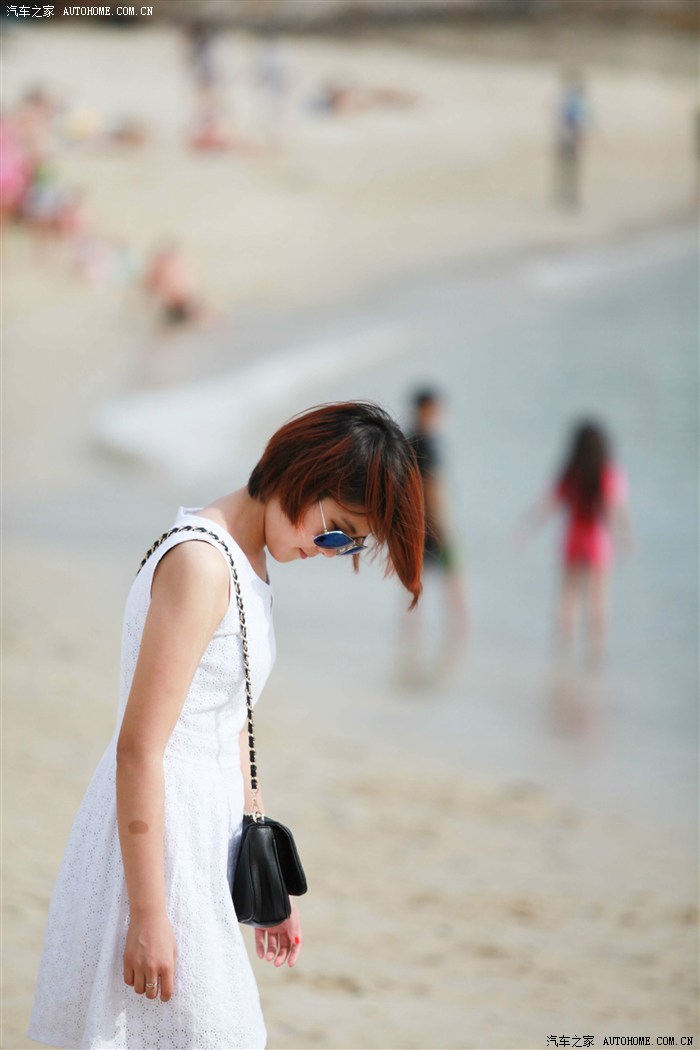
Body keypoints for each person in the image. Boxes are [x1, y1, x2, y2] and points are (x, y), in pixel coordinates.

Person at [28, 401, 425, 1050]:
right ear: (300, 474)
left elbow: (230, 716)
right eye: (335, 532)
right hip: (156, 845)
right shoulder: (202, 564)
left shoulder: (247, 562)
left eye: (350, 545)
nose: (330, 552)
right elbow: (139, 750)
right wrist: (149, 913)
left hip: (200, 840)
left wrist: (265, 877)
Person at [519, 419, 633, 664]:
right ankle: (595, 653)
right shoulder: (608, 472)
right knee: (598, 598)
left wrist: (526, 529)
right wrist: (625, 538)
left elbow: (549, 504)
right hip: (598, 541)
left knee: (568, 596)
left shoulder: (571, 472)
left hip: (573, 538)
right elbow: (615, 509)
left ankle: (562, 651)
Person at [400, 388, 468, 682]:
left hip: (412, 523)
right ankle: (460, 639)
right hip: (432, 524)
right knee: (454, 582)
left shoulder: (406, 440)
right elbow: (433, 487)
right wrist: (444, 527)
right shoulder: (428, 443)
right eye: (435, 409)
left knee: (415, 584)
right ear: (426, 410)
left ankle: (409, 640)